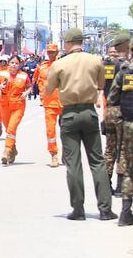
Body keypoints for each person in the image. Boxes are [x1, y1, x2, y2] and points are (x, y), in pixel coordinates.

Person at [46, 28, 117, 221]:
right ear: (81, 42)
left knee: (73, 164)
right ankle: (105, 209)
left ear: (68, 43)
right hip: (89, 111)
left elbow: (48, 89)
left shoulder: (59, 64)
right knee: (97, 162)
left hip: (69, 113)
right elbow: (101, 84)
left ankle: (78, 210)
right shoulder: (95, 61)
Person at [106, 37, 133, 226]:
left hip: (128, 124)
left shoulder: (124, 72)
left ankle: (125, 213)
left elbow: (112, 97)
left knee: (128, 166)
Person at [102, 34, 130, 195]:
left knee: (109, 149)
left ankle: (106, 184)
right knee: (122, 150)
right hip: (122, 110)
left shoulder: (108, 65)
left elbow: (103, 87)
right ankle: (120, 186)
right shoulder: (126, 66)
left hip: (109, 110)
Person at [33, 44, 63, 168]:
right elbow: (35, 81)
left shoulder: (63, 65)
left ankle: (67, 152)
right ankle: (54, 154)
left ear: (57, 52)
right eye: (49, 52)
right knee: (50, 130)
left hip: (63, 102)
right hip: (49, 103)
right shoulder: (42, 67)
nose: (51, 54)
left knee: (67, 130)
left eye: (53, 52)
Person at [0, 55, 31, 165]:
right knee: (8, 129)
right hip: (4, 105)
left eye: (16, 63)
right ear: (8, 63)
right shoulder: (2, 74)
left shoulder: (24, 76)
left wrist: (26, 92)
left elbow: (30, 86)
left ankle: (6, 151)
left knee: (11, 129)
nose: (14, 65)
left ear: (19, 64)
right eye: (12, 62)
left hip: (18, 105)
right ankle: (13, 148)